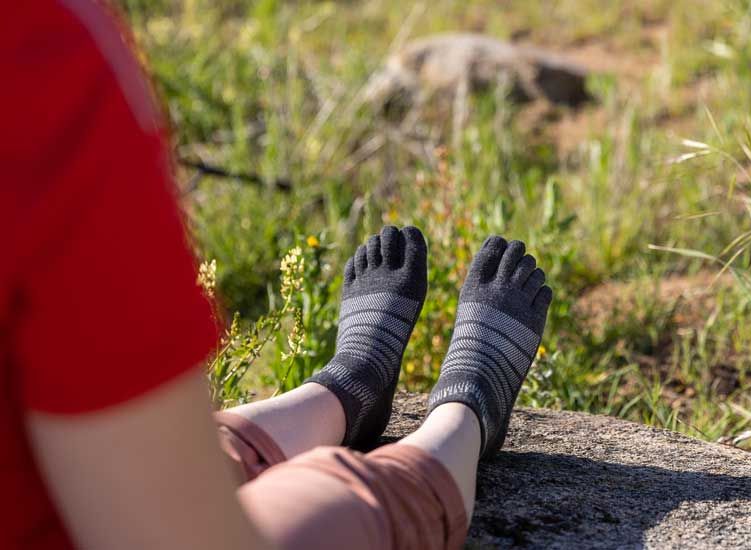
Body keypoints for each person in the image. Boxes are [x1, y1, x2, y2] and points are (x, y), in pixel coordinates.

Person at [2, 2, 552, 549]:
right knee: (347, 498)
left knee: (206, 451)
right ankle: (466, 413)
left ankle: (348, 387)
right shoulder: (40, 54)